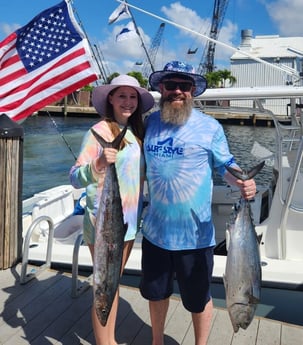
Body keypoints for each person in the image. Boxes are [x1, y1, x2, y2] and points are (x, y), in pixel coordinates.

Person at [140, 61, 257, 345]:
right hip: (155, 231)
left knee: (198, 299)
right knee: (157, 295)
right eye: (171, 85)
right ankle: (157, 341)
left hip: (195, 237)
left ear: (193, 91)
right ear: (161, 89)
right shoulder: (149, 122)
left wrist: (244, 180)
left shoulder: (210, 127)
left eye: (184, 86)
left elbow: (225, 166)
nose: (177, 91)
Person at [69, 74, 154, 345]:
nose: (127, 102)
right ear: (110, 99)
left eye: (132, 97)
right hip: (102, 223)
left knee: (112, 284)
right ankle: (104, 342)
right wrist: (97, 165)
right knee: (104, 285)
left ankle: (110, 339)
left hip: (128, 225)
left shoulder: (136, 134)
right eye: (122, 96)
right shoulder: (99, 132)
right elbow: (73, 177)